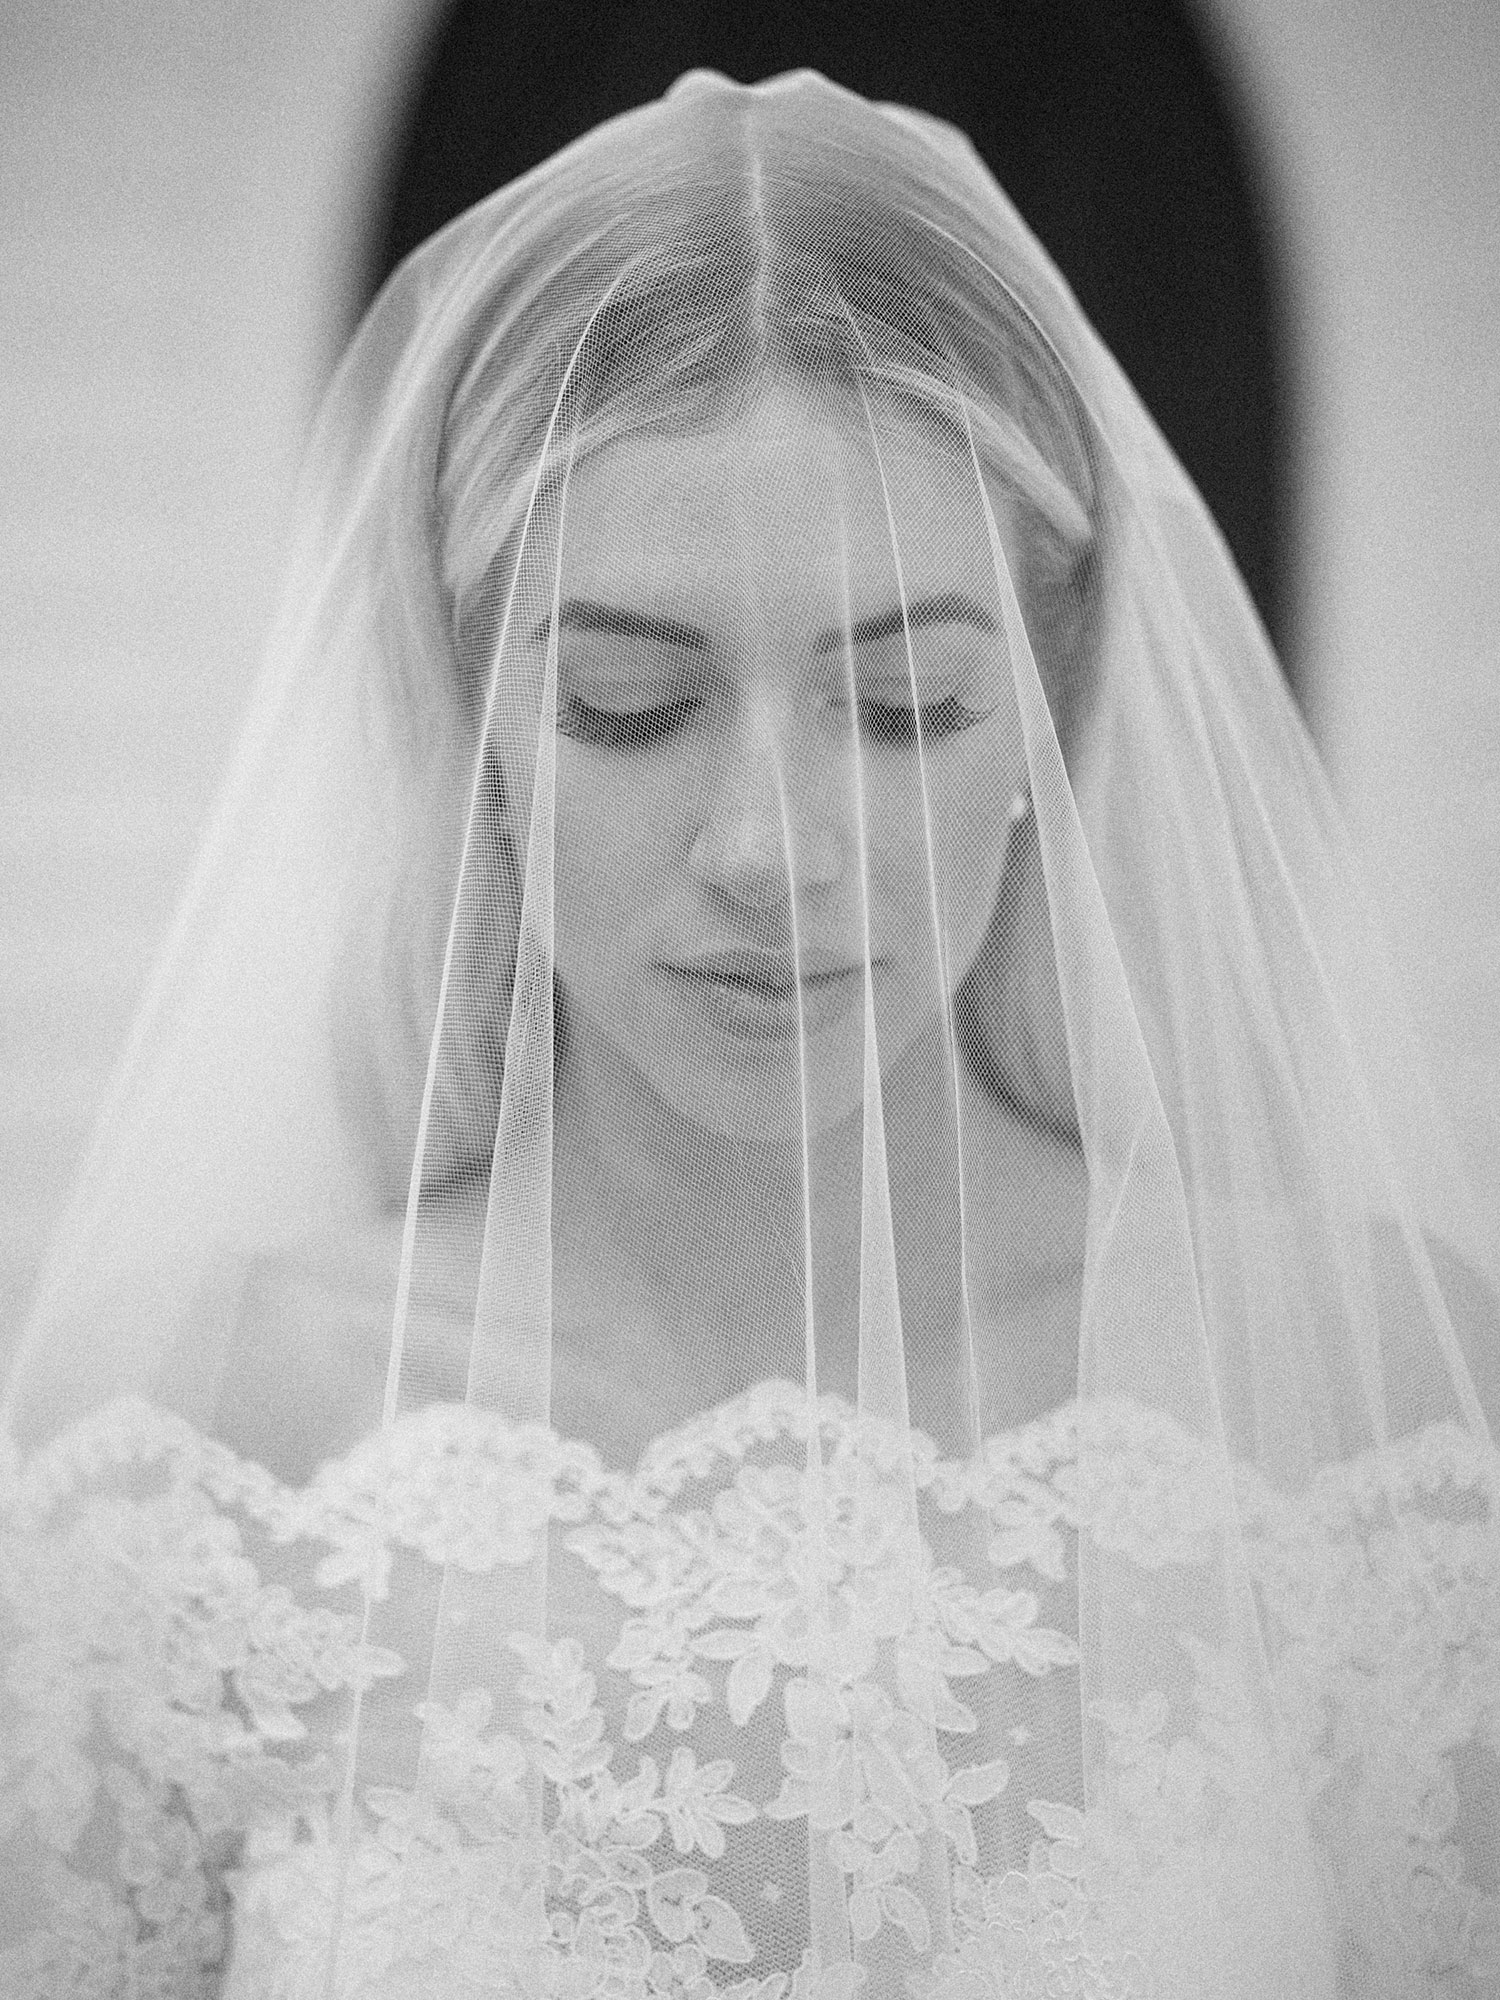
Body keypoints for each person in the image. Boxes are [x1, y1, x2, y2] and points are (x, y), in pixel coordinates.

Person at [3, 68, 1497, 2000]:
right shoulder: (195, 1454)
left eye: (903, 707)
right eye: (631, 702)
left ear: (1047, 717)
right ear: (483, 730)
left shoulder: (1381, 1409)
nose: (769, 852)